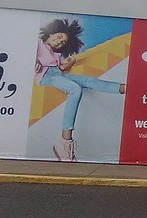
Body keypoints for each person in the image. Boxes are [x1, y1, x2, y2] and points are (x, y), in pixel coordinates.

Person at [35, 18, 126, 162]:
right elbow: (25, 54)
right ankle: (65, 141)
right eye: (59, 37)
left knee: (87, 80)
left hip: (58, 74)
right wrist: (34, 62)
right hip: (46, 77)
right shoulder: (38, 45)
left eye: (63, 42)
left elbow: (62, 69)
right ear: (51, 34)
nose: (59, 42)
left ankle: (124, 88)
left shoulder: (57, 55)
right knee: (75, 89)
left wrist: (72, 60)